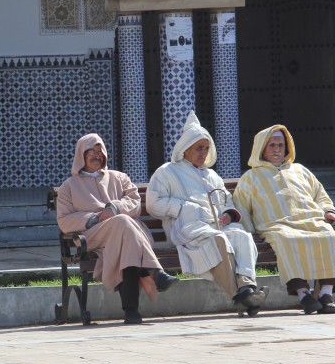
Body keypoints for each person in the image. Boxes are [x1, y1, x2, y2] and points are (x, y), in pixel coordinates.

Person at [146, 112, 267, 315]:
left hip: (217, 225)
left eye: (206, 148)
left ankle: (247, 287)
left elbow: (227, 201)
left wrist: (229, 214)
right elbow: (153, 204)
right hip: (186, 228)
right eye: (198, 148)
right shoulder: (166, 172)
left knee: (241, 236)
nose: (203, 153)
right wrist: (184, 208)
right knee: (219, 239)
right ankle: (238, 294)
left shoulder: (212, 175)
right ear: (185, 149)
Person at [56, 133, 178, 325]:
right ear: (81, 154)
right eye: (92, 152)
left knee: (125, 242)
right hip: (92, 235)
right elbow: (64, 220)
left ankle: (131, 312)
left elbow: (135, 203)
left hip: (126, 234)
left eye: (100, 151)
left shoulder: (119, 178)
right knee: (123, 224)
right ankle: (155, 273)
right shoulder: (68, 187)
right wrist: (94, 218)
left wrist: (115, 208)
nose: (97, 155)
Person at [233, 124, 335, 314]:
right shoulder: (250, 177)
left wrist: (329, 211)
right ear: (261, 148)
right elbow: (242, 208)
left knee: (329, 235)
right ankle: (304, 294)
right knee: (288, 240)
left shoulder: (300, 170)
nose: (277, 149)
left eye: (280, 145)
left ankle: (326, 295)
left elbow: (320, 195)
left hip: (310, 220)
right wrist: (248, 234)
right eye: (272, 145)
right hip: (276, 226)